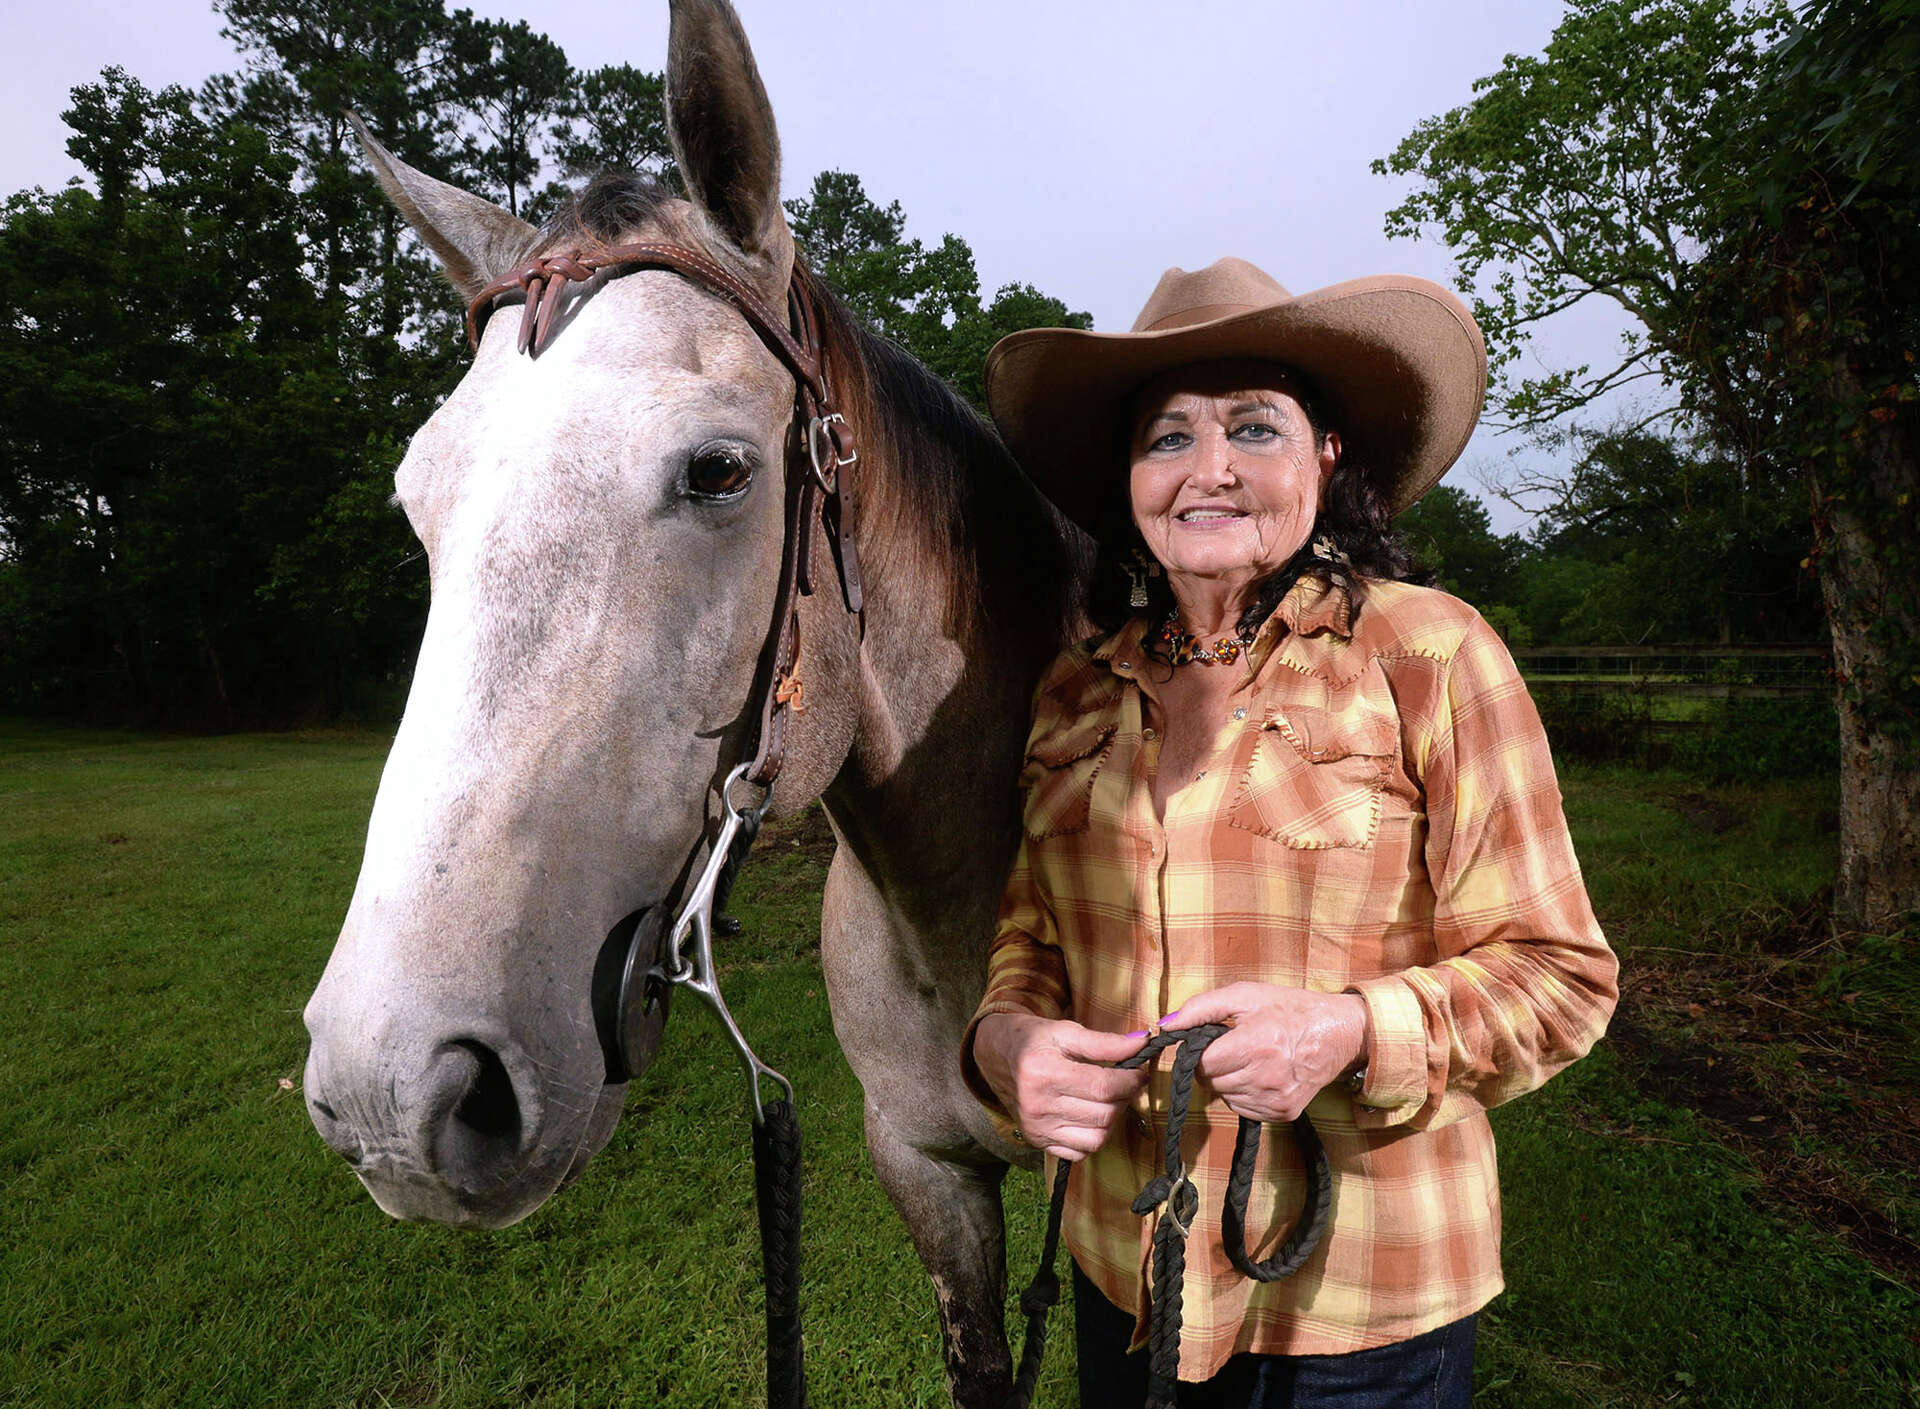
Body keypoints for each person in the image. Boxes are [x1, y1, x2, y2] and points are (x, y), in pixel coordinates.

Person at [960, 257, 1619, 1407]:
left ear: (1326, 454)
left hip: (1357, 1305)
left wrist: (1351, 1029)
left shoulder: (1431, 655)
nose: (1205, 469)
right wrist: (1006, 1041)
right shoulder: (1075, 688)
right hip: (1126, 1274)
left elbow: (1561, 975)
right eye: (1166, 438)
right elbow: (1032, 932)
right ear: (1129, 481)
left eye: (1251, 427)